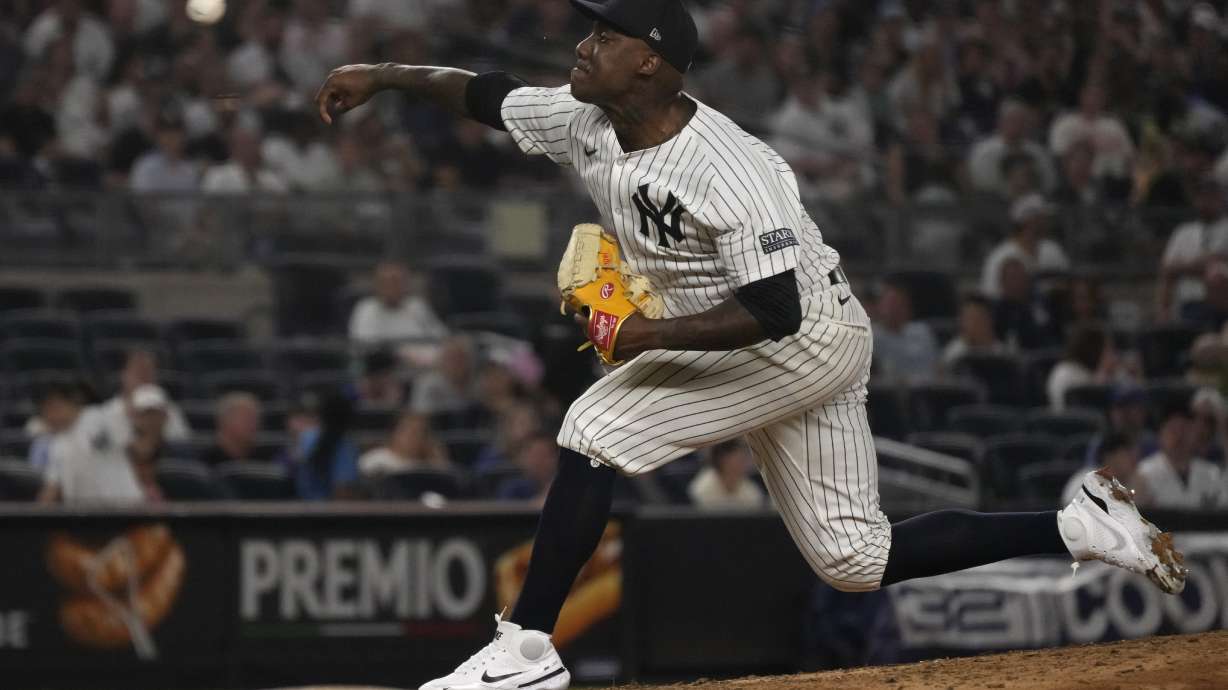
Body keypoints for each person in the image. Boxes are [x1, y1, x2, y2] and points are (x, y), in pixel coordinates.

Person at [315, 4, 1187, 687]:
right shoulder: (583, 116)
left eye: (604, 35)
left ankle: (528, 644)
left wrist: (641, 332)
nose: (582, 46)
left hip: (799, 337)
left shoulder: (729, 168)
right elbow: (482, 91)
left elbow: (774, 309)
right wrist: (382, 75)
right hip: (777, 336)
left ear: (649, 62)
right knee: (856, 558)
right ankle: (1082, 524)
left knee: (592, 431)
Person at [38, 385, 165, 505]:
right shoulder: (57, 445)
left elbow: (143, 450)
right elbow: (52, 488)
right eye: (46, 411)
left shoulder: (100, 417)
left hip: (127, 509)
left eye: (55, 408)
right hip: (88, 518)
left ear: (73, 402)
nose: (51, 415)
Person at [1156, 175, 1228, 321]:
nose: (1206, 201)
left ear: (1222, 198)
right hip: (1190, 304)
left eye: (1212, 195)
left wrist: (1184, 267)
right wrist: (1163, 309)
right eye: (1202, 195)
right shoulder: (1183, 232)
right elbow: (1167, 270)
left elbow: (1219, 261)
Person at [96, 349, 191, 453]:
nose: (144, 377)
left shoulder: (170, 410)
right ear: (124, 375)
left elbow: (183, 447)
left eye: (149, 371)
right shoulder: (106, 413)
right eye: (138, 371)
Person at [1137, 402, 1227, 510]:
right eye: (1173, 430)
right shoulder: (1145, 473)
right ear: (1161, 434)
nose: (1179, 436)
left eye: (1184, 430)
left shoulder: (1211, 473)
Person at [979, 194, 1071, 299]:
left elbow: (1067, 284)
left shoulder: (1052, 249)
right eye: (1042, 217)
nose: (1047, 221)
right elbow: (991, 297)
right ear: (1029, 221)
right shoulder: (1000, 257)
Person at [967, 99, 1056, 197]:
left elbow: (1049, 183)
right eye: (1013, 120)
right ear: (1001, 122)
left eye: (1022, 121)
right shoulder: (983, 151)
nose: (1018, 126)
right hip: (992, 203)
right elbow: (981, 183)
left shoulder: (1037, 152)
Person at [348, 261, 449, 345]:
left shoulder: (416, 305)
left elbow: (441, 336)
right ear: (377, 284)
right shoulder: (366, 308)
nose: (392, 287)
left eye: (398, 282)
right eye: (387, 282)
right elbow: (365, 344)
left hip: (428, 363)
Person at [290, 392, 360, 500]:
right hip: (328, 512)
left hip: (301, 508)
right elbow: (343, 496)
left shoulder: (306, 437)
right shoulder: (345, 448)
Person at [871, 275, 940, 383]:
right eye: (890, 303)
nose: (894, 309)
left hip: (925, 391)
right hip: (886, 394)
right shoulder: (870, 337)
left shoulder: (923, 332)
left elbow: (937, 369)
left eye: (899, 303)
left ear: (907, 307)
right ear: (880, 306)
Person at [1061, 432, 1149, 506]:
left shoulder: (1136, 482)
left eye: (1135, 455)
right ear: (1110, 457)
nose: (1134, 460)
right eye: (1128, 454)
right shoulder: (1086, 480)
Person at [1046, 327, 1123, 411]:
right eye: (1107, 350)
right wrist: (1106, 371)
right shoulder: (1073, 375)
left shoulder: (1064, 367)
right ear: (1095, 350)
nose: (1112, 355)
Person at [358, 411, 449, 476]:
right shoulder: (375, 460)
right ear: (395, 433)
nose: (413, 438)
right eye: (408, 432)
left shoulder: (430, 465)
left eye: (418, 432)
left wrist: (437, 459)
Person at [687, 439, 765, 510]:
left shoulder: (752, 491)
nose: (743, 463)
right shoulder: (702, 487)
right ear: (722, 459)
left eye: (743, 458)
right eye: (738, 459)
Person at [410, 335, 478, 416]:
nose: (455, 364)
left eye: (460, 358)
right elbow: (421, 416)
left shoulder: (478, 384)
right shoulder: (429, 384)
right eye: (450, 359)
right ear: (441, 361)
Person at [197, 392, 270, 466]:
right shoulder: (204, 462)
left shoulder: (265, 460)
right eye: (246, 419)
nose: (253, 425)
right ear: (223, 421)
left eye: (256, 419)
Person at [942, 294, 1005, 368]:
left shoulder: (1003, 354)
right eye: (968, 318)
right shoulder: (953, 353)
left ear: (990, 320)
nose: (972, 324)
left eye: (977, 318)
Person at [496, 434, 559, 502]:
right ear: (522, 458)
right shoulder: (512, 488)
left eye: (545, 455)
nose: (540, 461)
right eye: (535, 455)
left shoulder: (564, 485)